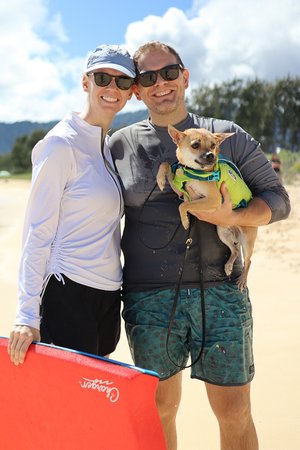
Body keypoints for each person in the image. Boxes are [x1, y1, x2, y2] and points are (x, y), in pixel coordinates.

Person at [110, 41, 291, 450]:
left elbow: (278, 202)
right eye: (147, 77)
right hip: (148, 297)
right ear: (136, 90)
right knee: (159, 408)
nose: (161, 84)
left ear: (185, 76)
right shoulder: (118, 144)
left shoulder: (229, 136)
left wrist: (234, 218)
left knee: (234, 411)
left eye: (169, 72)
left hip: (223, 292)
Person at [8, 44, 135, 366]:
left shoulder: (106, 146)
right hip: (67, 290)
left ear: (131, 92)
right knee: (66, 408)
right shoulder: (60, 144)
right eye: (103, 77)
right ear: (85, 82)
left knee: (92, 404)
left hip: (108, 292)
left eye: (122, 82)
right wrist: (26, 314)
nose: (112, 88)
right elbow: (37, 231)